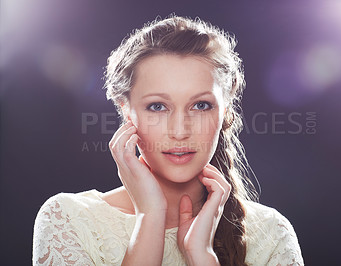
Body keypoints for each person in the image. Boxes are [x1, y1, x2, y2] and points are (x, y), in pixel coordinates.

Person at [32, 14, 304, 265]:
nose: (179, 131)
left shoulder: (271, 232)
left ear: (225, 111)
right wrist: (150, 215)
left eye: (200, 106)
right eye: (157, 107)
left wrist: (202, 256)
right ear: (126, 111)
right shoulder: (67, 219)